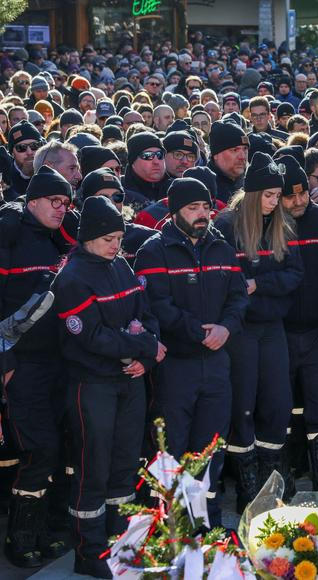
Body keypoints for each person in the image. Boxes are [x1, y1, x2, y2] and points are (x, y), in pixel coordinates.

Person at [52, 196, 164, 578]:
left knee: (123, 463)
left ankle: (122, 542)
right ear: (87, 239)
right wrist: (142, 346)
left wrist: (144, 356)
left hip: (128, 381)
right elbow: (92, 336)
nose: (115, 246)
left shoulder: (121, 268)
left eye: (118, 237)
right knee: (92, 466)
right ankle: (90, 550)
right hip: (93, 383)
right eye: (107, 239)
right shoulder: (73, 276)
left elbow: (145, 315)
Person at [134, 177, 248, 525]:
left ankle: (204, 521)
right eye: (192, 208)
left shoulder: (222, 246)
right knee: (170, 448)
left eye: (204, 207)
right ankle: (168, 524)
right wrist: (200, 332)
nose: (202, 214)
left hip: (216, 363)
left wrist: (227, 327)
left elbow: (238, 296)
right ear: (174, 211)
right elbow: (156, 305)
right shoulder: (153, 251)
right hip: (175, 366)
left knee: (211, 447)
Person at [214, 152, 303, 512]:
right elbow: (224, 278)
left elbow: (294, 275)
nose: (274, 202)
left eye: (276, 196)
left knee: (278, 403)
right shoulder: (227, 225)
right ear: (252, 195)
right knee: (243, 405)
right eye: (268, 196)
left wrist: (259, 284)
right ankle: (247, 486)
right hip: (241, 331)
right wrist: (246, 287)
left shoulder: (282, 225)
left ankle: (271, 481)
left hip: (272, 326)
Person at [0, 167, 73, 568]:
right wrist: (6, 363)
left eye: (65, 202)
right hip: (23, 364)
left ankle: (44, 528)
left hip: (61, 362)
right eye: (53, 201)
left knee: (58, 446)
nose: (61, 209)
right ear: (32, 203)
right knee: (37, 449)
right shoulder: (9, 236)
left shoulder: (61, 236)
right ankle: (20, 535)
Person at [276, 154, 318, 498]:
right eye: (290, 196)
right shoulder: (269, 224)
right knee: (280, 408)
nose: (299, 201)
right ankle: (283, 483)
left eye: (303, 193)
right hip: (280, 331)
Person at [122, 132, 171, 211]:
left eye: (160, 154)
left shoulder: (176, 188)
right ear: (133, 161)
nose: (156, 161)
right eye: (148, 155)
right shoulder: (120, 192)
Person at [208, 121, 250, 204]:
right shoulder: (205, 187)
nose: (242, 157)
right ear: (216, 154)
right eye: (234, 150)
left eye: (245, 149)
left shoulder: (253, 182)